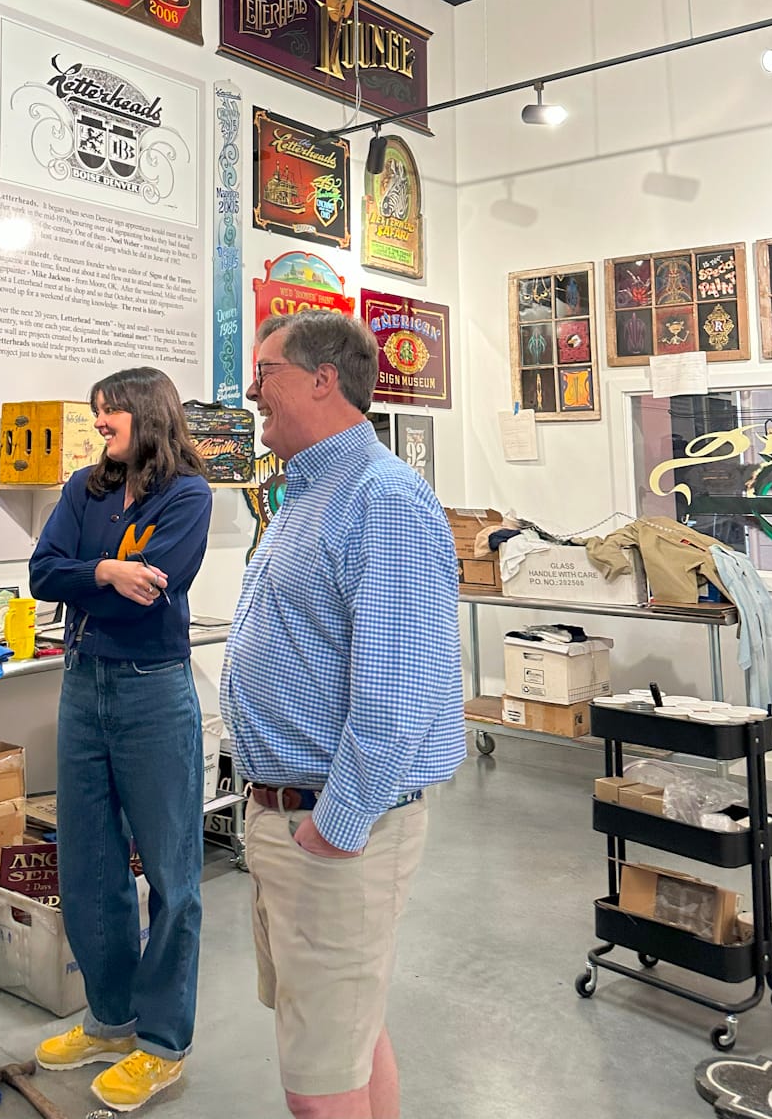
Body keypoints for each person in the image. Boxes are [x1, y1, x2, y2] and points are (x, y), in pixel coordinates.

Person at [220, 310, 465, 1119]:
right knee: (349, 1034)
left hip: (329, 834)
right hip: (290, 819)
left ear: (324, 379)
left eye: (267, 373)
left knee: (319, 1089)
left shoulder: (383, 498)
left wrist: (336, 825)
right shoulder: (308, 490)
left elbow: (397, 696)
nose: (252, 392)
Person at [29, 365, 212, 1113]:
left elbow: (157, 588)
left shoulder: (189, 495)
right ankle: (109, 1020)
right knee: (90, 862)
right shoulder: (85, 489)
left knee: (172, 872)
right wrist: (104, 569)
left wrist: (92, 578)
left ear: (146, 412)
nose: (99, 428)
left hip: (153, 689)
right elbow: (44, 573)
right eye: (96, 418)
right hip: (83, 685)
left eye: (110, 417)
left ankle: (163, 1044)